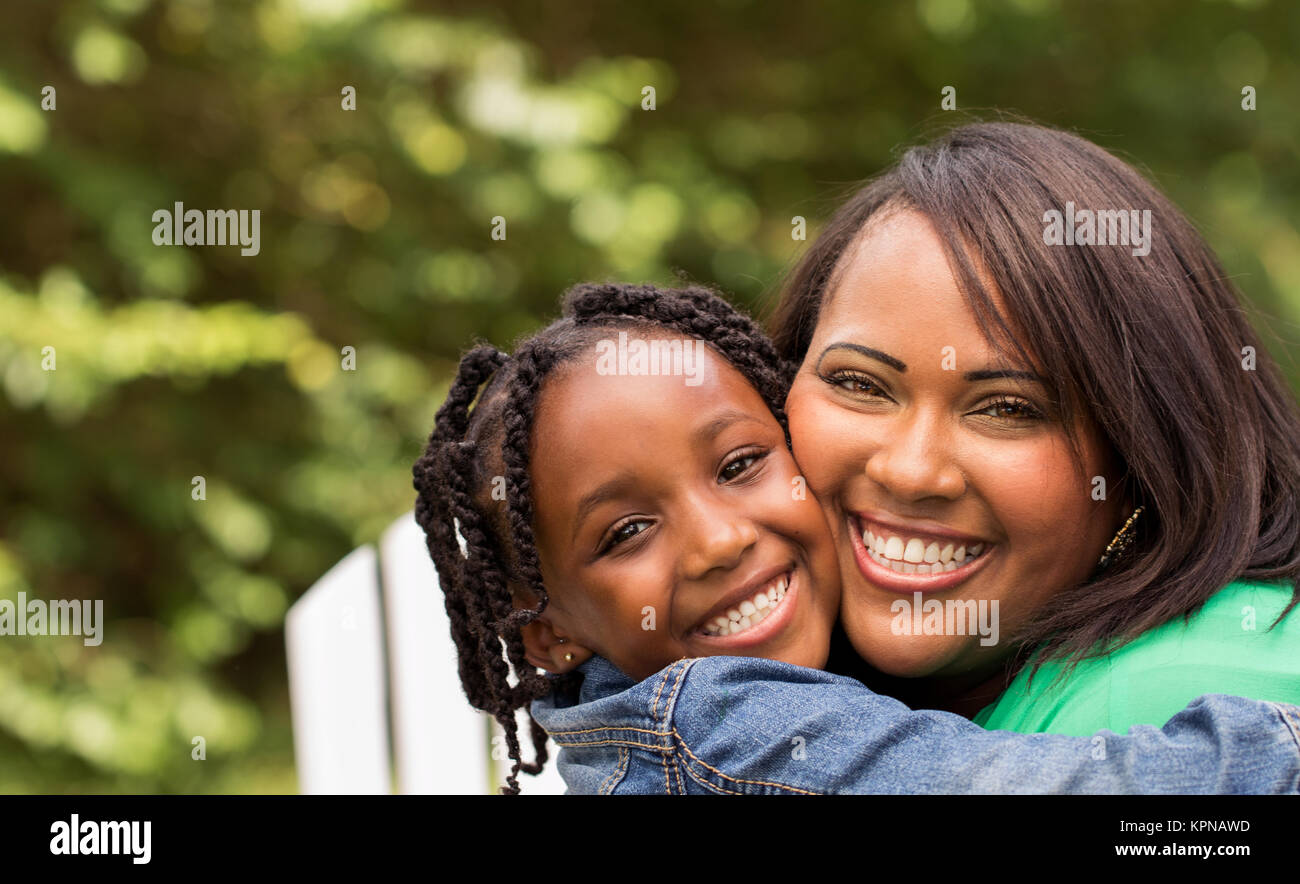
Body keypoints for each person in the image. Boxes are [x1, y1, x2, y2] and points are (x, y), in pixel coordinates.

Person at [411, 281, 1300, 794]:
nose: (719, 541)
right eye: (628, 531)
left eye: (739, 466)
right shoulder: (717, 724)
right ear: (548, 633)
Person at [770, 119, 1300, 732]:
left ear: (1142, 462)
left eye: (1007, 409)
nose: (911, 471)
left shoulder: (1171, 710)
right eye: (859, 384)